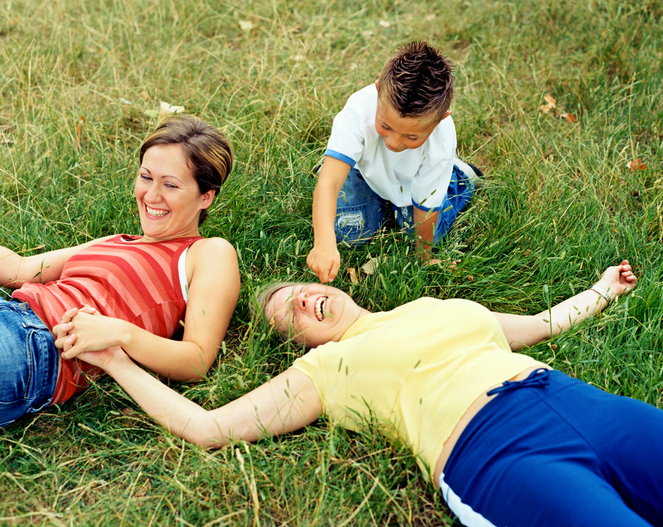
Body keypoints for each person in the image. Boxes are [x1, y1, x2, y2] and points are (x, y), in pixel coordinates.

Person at [57, 260, 663, 526]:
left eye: (293, 289)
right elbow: (207, 427)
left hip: (573, 401)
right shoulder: (325, 371)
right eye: (286, 316)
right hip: (497, 455)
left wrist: (603, 290)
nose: (298, 301)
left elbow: (538, 325)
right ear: (300, 344)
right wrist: (115, 360)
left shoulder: (437, 306)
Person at [0, 115, 241, 427]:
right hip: (11, 311)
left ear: (206, 196)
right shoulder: (117, 241)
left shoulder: (208, 253)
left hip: (37, 344)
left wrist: (120, 333)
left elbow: (195, 360)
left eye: (170, 184)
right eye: (146, 177)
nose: (152, 196)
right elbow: (19, 268)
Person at [307, 41, 482, 282]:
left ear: (441, 119)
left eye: (412, 136)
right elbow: (327, 184)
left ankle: (457, 177)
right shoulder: (358, 109)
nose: (394, 143)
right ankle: (338, 161)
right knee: (347, 234)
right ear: (377, 91)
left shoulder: (441, 137)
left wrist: (425, 258)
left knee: (423, 234)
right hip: (364, 175)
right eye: (386, 126)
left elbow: (426, 208)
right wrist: (323, 243)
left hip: (413, 183)